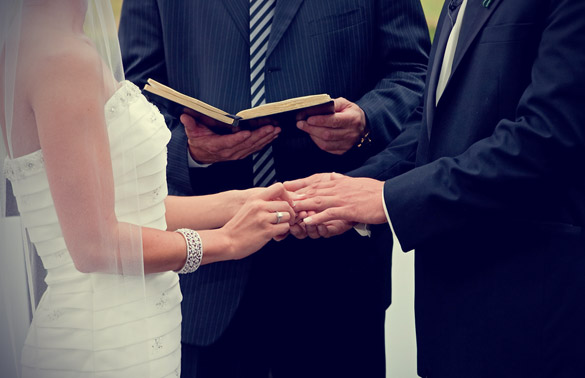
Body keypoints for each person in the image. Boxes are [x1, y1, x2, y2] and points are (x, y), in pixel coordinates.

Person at [119, 1, 430, 377]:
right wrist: (187, 149)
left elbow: (414, 72)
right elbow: (134, 95)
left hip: (336, 274)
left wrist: (367, 121)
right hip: (204, 283)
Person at [286, 0, 585, 376]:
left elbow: (547, 138)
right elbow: (433, 126)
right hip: (448, 308)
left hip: (530, 310)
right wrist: (353, 188)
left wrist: (385, 199)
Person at [0, 1, 295, 377]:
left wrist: (244, 202)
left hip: (138, 332)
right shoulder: (62, 59)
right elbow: (95, 246)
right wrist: (228, 242)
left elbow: (135, 208)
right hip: (104, 345)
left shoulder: (46, 45)